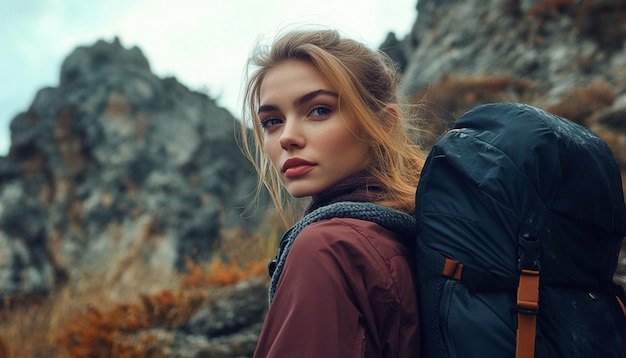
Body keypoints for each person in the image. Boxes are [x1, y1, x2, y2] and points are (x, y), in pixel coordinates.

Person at [239, 28, 426, 357]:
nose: (287, 137)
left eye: (319, 110)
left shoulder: (327, 247)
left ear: (383, 124)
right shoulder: (411, 227)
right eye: (272, 121)